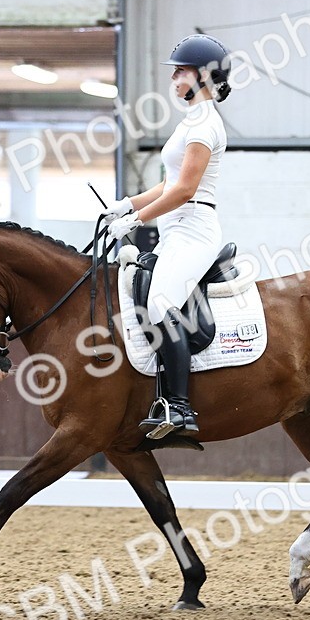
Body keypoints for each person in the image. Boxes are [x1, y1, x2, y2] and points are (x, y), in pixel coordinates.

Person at [100, 33, 232, 439]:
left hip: (194, 231)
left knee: (160, 304)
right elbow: (166, 184)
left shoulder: (206, 125)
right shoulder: (190, 122)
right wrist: (126, 204)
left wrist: (137, 221)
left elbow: (184, 190)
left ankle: (179, 407)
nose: (174, 79)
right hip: (176, 231)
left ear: (203, 76)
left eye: (180, 72)